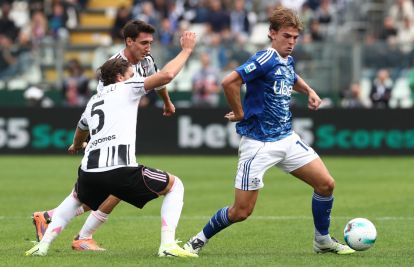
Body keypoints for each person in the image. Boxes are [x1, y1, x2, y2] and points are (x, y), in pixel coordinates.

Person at [183, 7, 355, 255]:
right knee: (241, 212)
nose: (292, 42)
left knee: (326, 184)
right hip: (259, 143)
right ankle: (196, 241)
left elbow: (291, 75)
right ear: (272, 33)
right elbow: (229, 81)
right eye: (287, 36)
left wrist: (310, 91)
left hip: (287, 139)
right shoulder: (265, 58)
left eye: (295, 37)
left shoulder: (287, 59)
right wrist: (240, 113)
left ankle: (322, 240)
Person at [26, 30, 197, 257]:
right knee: (175, 186)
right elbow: (165, 76)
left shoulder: (93, 99)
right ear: (120, 77)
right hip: (120, 169)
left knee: (76, 198)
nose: (135, 74)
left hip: (89, 170)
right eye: (131, 72)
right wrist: (186, 50)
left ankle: (43, 245)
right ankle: (167, 246)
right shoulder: (128, 86)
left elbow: (81, 128)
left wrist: (77, 145)